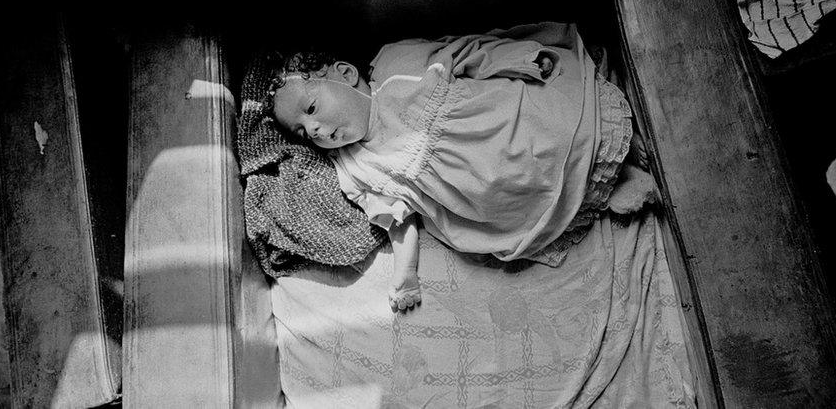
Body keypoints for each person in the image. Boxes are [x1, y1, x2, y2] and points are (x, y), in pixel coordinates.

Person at [267, 22, 655, 312]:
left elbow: (466, 54)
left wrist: (517, 61)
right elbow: (399, 221)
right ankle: (606, 190)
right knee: (521, 196)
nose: (315, 129)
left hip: (500, 122)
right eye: (303, 132)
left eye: (312, 108)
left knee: (551, 129)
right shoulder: (356, 167)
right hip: (485, 191)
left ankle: (611, 143)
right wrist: (406, 276)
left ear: (345, 74)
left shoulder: (395, 66)